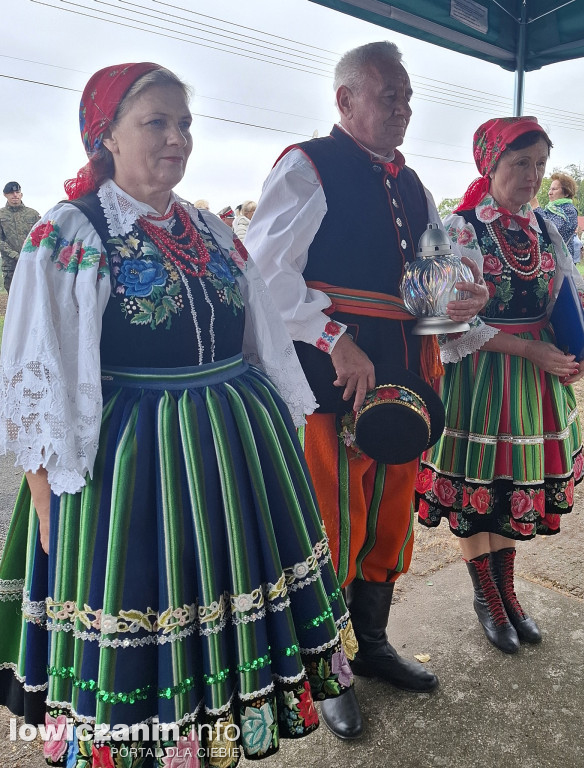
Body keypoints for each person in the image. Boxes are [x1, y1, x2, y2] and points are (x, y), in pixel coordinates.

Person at [0, 62, 355, 766]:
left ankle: (212, 734)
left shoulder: (210, 229)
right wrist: (45, 499)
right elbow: (36, 374)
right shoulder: (69, 233)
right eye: (155, 122)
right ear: (106, 136)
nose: (177, 138)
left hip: (231, 452)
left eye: (184, 123)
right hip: (135, 463)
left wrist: (279, 427)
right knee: (146, 603)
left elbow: (262, 336)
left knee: (216, 611)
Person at [247, 41, 488, 740]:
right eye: (389, 96)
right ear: (345, 100)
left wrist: (455, 302)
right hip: (335, 371)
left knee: (387, 513)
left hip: (406, 365)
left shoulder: (411, 183)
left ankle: (373, 644)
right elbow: (266, 274)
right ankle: (328, 669)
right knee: (332, 518)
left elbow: (420, 285)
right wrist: (334, 340)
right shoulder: (307, 165)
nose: (403, 109)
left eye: (408, 97)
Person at [417, 116, 584, 655]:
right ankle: (486, 597)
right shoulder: (457, 229)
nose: (533, 175)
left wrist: (583, 347)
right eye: (521, 163)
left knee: (509, 488)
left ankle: (507, 593)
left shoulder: (544, 226)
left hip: (535, 379)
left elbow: (570, 289)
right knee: (479, 487)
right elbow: (440, 322)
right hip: (482, 376)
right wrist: (529, 349)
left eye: (540, 164)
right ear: (489, 164)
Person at [0, 181, 40, 293]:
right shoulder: (1, 215)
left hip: (32, 263)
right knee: (14, 298)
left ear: (21, 194)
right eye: (11, 193)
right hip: (11, 266)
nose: (15, 195)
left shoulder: (33, 214)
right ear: (5, 195)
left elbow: (42, 237)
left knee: (34, 296)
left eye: (17, 192)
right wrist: (15, 255)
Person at [535, 171, 578, 243]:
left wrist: (536, 207)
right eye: (550, 189)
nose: (549, 193)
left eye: (554, 189)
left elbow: (552, 232)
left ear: (566, 193)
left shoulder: (569, 211)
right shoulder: (550, 208)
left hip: (557, 254)